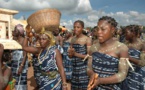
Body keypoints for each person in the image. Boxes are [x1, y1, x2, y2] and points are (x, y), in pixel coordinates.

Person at [87, 16, 130, 90]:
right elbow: (88, 68)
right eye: (98, 29)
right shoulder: (93, 48)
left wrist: (100, 80)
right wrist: (92, 75)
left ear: (112, 30)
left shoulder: (121, 48)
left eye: (103, 29)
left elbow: (122, 74)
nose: (99, 32)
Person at [68, 20, 92, 90]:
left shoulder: (87, 39)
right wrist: (70, 54)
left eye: (78, 27)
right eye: (74, 27)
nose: (76, 29)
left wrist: (75, 54)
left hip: (83, 69)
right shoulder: (72, 39)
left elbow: (89, 56)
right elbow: (70, 55)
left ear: (82, 28)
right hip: (74, 68)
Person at [125, 25, 145, 90]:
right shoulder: (125, 44)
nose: (125, 35)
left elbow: (142, 63)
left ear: (133, 33)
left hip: (136, 75)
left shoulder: (142, 45)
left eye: (126, 33)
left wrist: (129, 58)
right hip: (126, 74)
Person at [11, 24, 28, 90]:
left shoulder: (24, 40)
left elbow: (25, 54)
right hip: (14, 63)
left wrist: (21, 66)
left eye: (15, 30)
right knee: (14, 81)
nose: (14, 32)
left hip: (21, 63)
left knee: (21, 81)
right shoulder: (15, 40)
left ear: (20, 32)